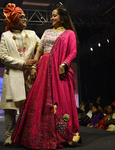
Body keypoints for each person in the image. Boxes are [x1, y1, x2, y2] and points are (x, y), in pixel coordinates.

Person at [12, 6, 81, 149]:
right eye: (52, 16)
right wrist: (33, 67)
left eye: (54, 15)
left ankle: (63, 134)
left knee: (61, 101)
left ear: (62, 17)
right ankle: (35, 135)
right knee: (39, 101)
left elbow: (73, 53)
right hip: (43, 68)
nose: (52, 18)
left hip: (59, 69)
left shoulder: (69, 34)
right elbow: (40, 50)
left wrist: (64, 64)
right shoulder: (47, 32)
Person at [0, 3, 40, 146]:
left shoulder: (32, 34)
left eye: (24, 16)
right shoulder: (5, 36)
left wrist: (34, 65)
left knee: (30, 107)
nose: (25, 19)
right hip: (12, 75)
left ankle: (28, 134)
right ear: (14, 19)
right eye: (21, 17)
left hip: (30, 76)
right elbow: (3, 57)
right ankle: (10, 136)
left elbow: (41, 48)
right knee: (10, 109)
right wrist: (23, 63)